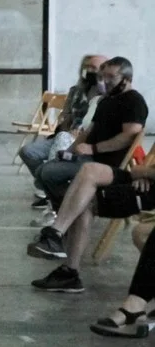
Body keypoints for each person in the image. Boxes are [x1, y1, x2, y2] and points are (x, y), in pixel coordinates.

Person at [27, 57, 147, 261]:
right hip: (87, 156)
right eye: (103, 77)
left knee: (49, 172)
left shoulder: (134, 101)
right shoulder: (106, 100)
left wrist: (94, 148)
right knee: (43, 171)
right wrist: (70, 151)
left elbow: (129, 136)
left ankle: (64, 223)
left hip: (105, 164)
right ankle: (66, 217)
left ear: (126, 79)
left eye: (111, 77)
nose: (105, 81)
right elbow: (89, 131)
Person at [20, 54, 107, 212]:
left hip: (85, 140)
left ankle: (50, 191)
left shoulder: (106, 94)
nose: (90, 71)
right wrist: (67, 122)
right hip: (65, 134)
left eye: (94, 68)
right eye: (87, 67)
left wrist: (80, 133)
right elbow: (65, 115)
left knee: (60, 145)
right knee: (28, 151)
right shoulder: (76, 91)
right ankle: (48, 188)